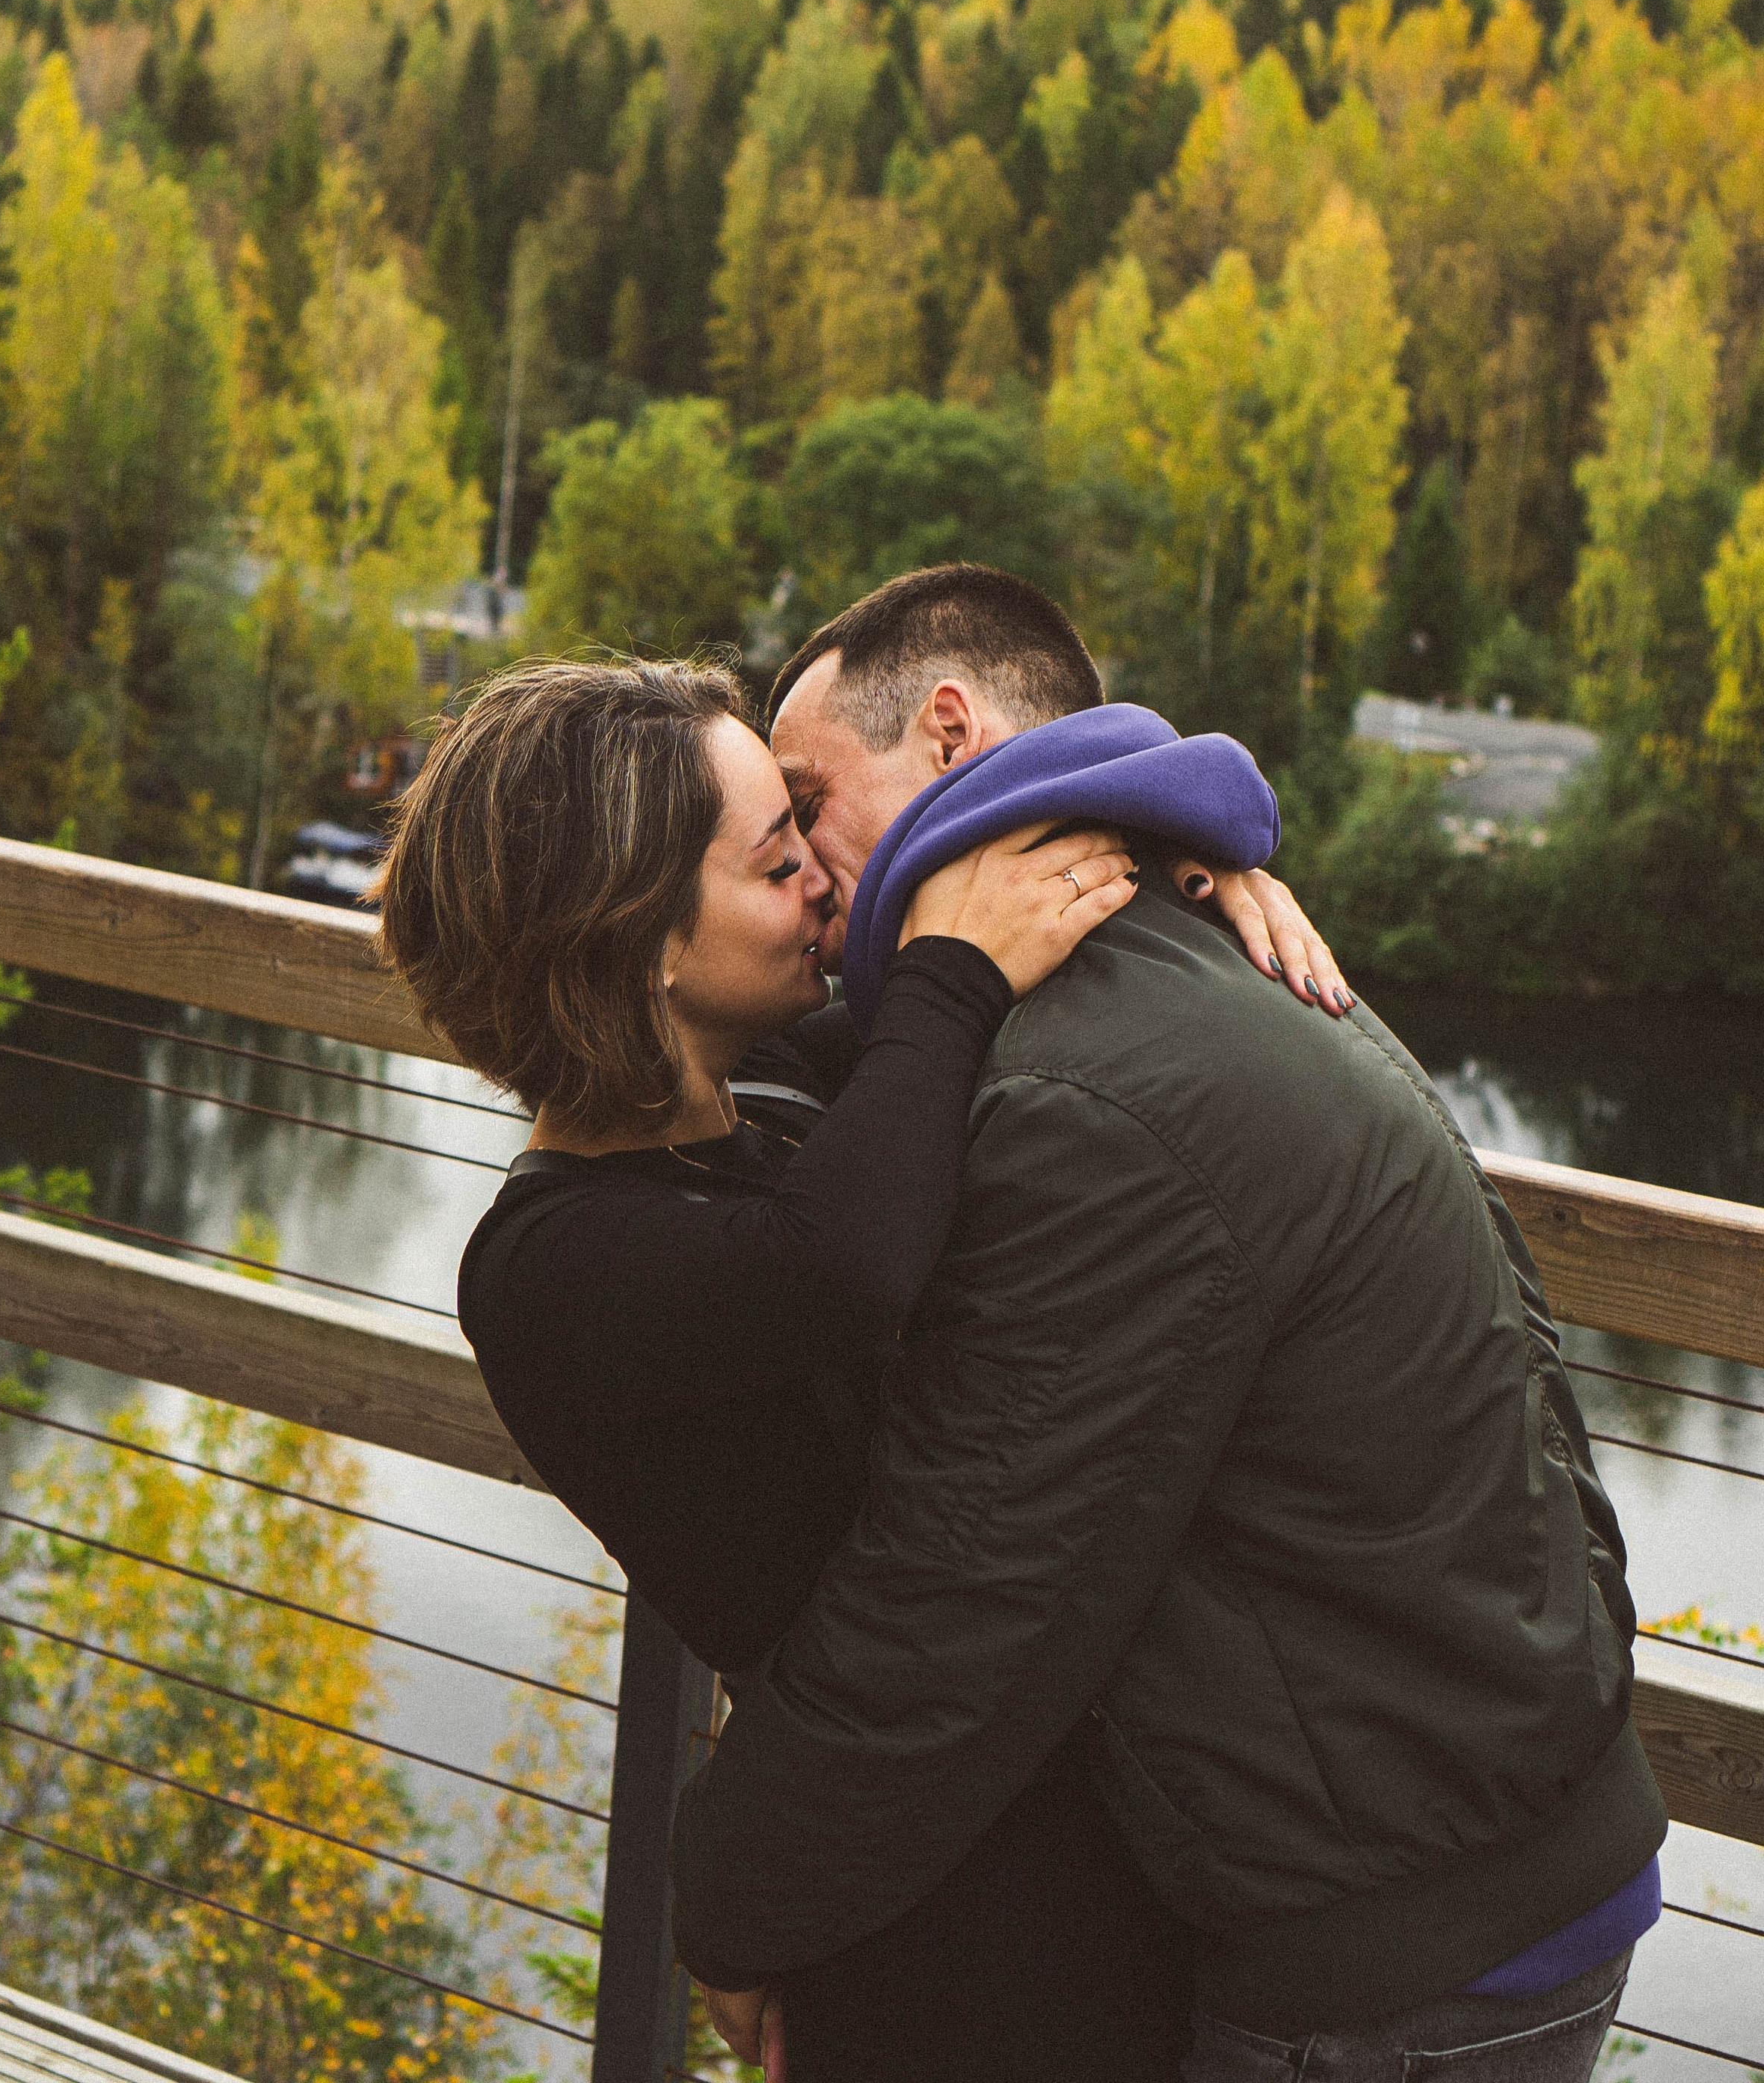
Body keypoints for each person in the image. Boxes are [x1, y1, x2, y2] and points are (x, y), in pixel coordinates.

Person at [669, 564, 1666, 2083]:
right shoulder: (1166, 954)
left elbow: (957, 1592)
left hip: (1400, 1953)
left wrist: (732, 1902)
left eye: (808, 804)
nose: (802, 867)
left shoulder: (1088, 1087)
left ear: (949, 732)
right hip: (1473, 1845)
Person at [377, 650, 1324, 2082]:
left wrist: (1193, 884)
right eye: (778, 862)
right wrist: (950, 968)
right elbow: (841, 1261)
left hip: (1038, 1837)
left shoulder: (767, 1094)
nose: (828, 881)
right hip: (920, 1928)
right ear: (641, 947)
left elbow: (1127, 824)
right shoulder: (547, 1270)